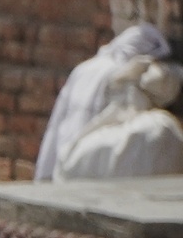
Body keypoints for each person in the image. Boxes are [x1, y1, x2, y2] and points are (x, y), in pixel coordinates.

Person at [37, 23, 172, 180]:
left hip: (66, 150)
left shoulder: (84, 68)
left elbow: (56, 122)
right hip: (91, 160)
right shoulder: (127, 77)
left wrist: (44, 173)